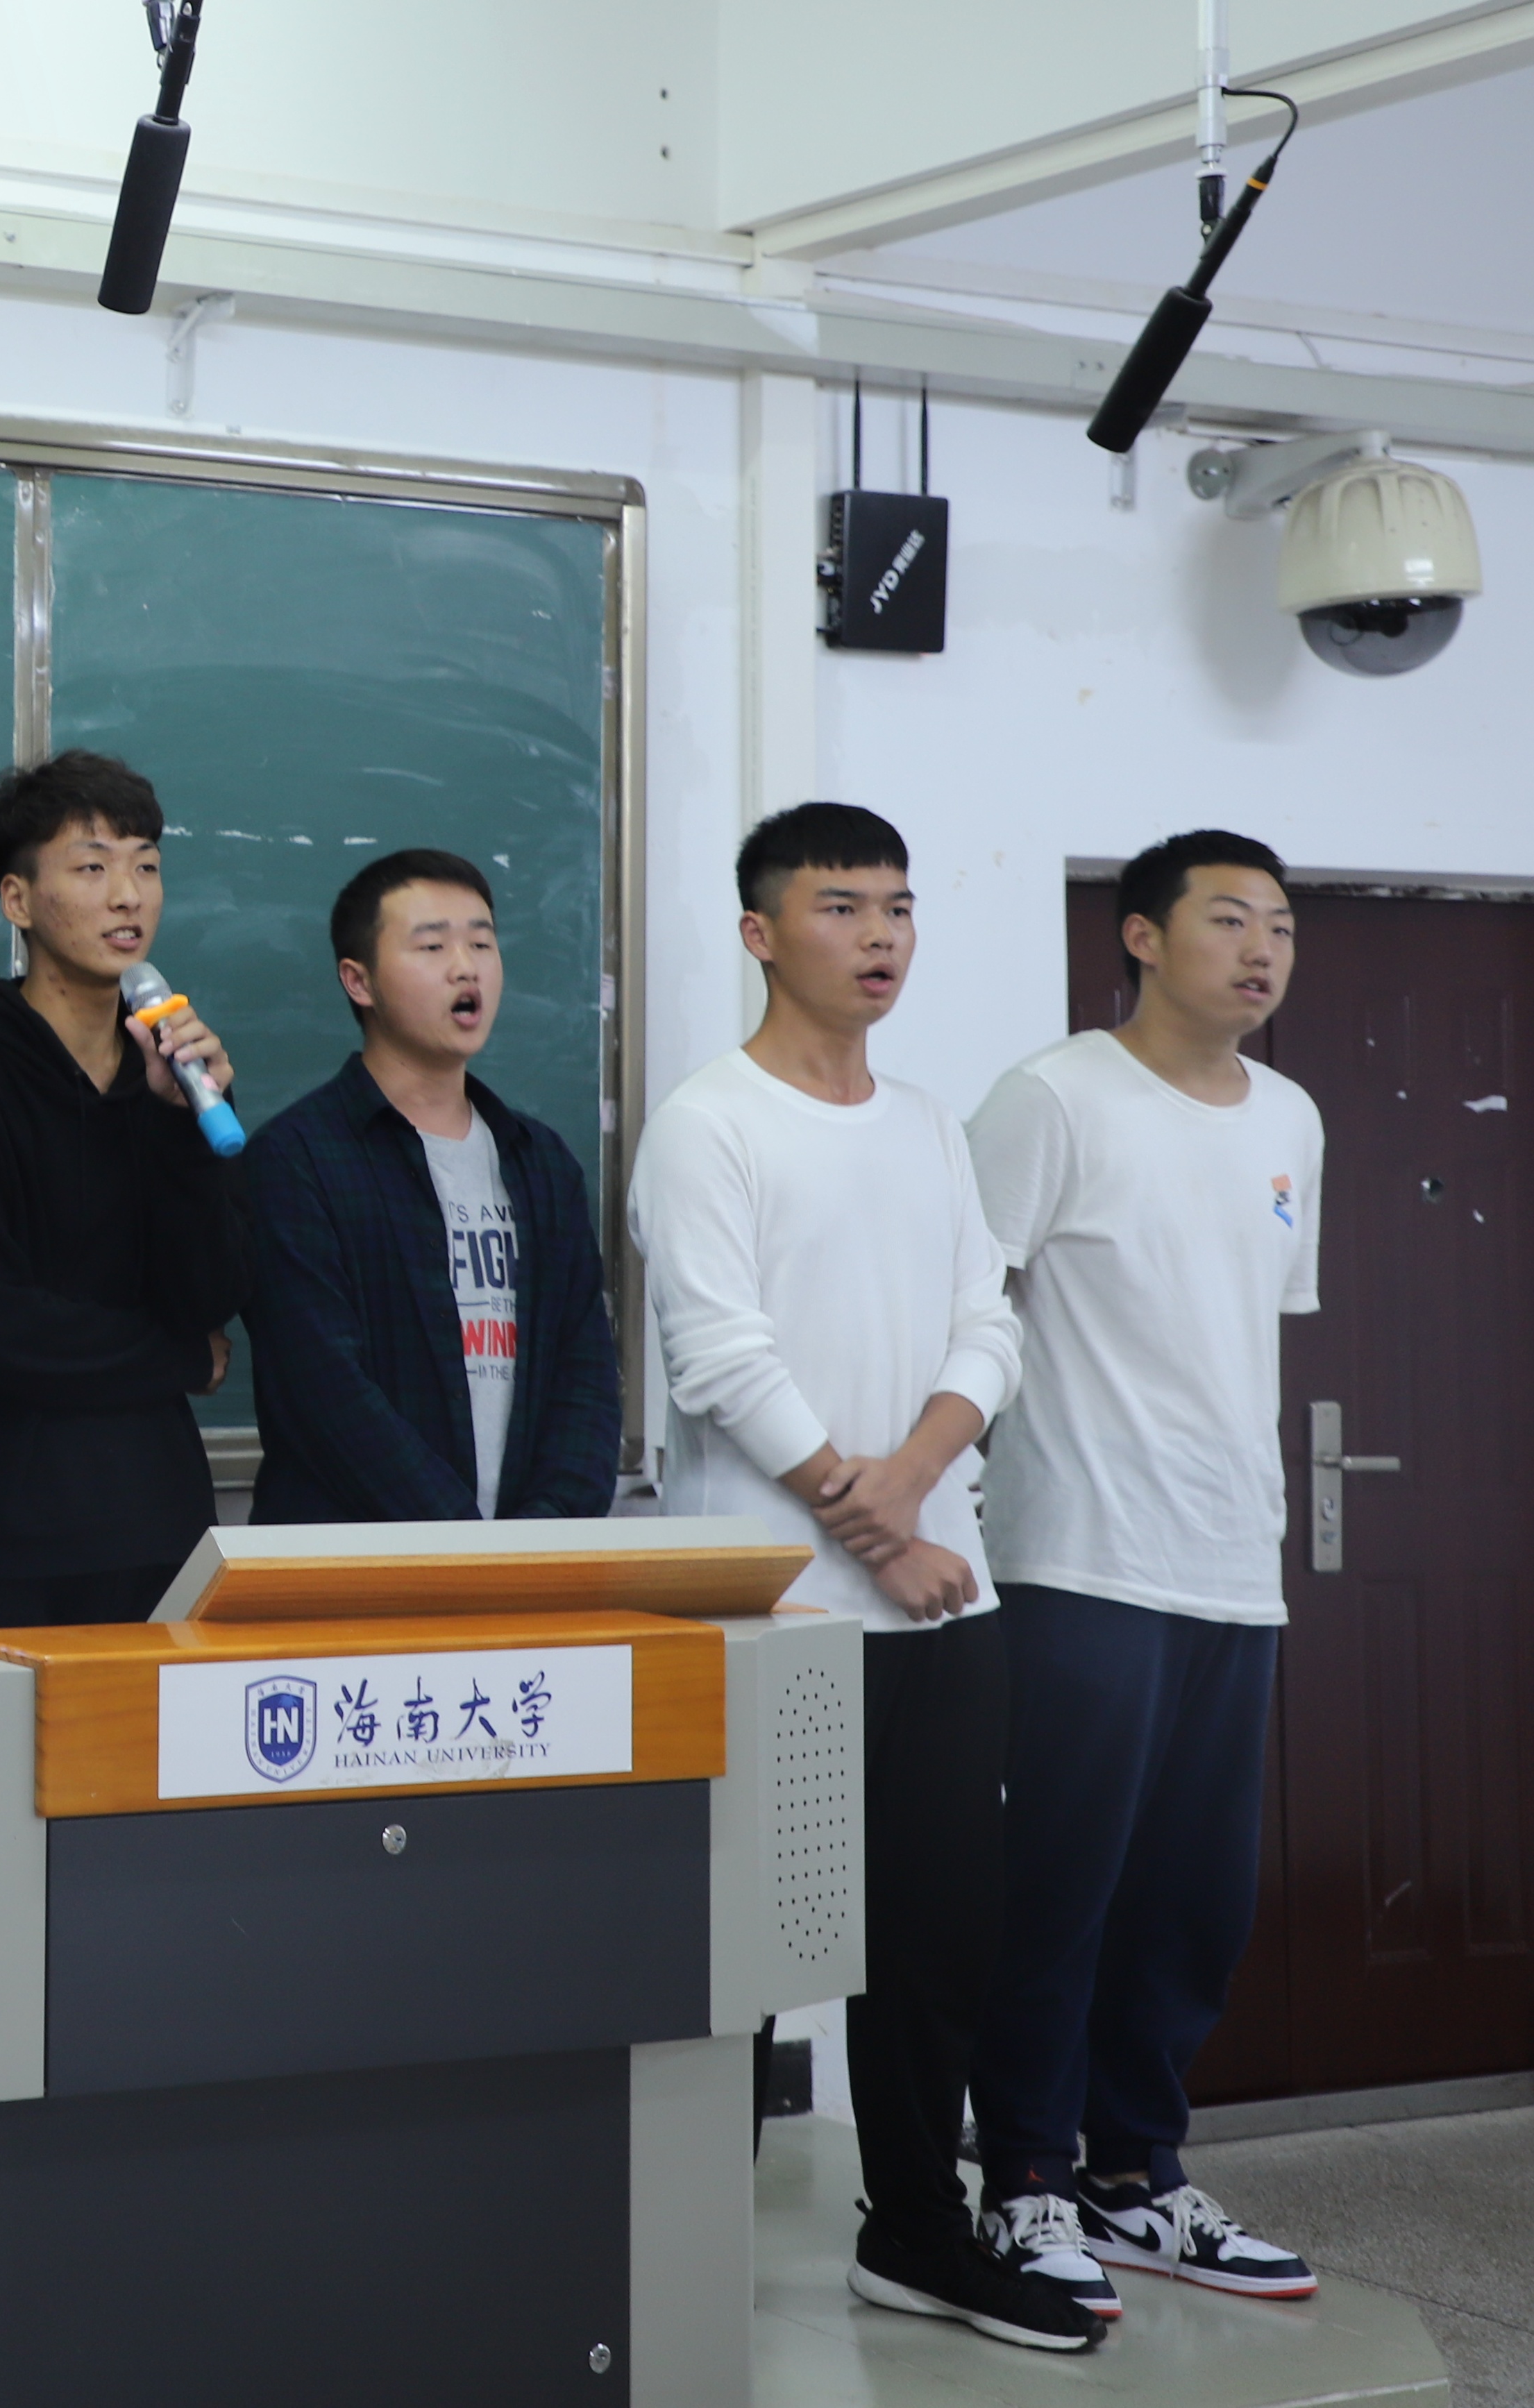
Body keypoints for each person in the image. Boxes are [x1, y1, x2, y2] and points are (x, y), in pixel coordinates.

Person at [628, 803, 1092, 2354]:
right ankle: (677, 2256)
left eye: (896, 906)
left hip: (945, 1606)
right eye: (841, 906)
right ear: (760, 934)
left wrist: (906, 1491)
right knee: (744, 1949)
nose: (880, 934)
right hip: (777, 1613)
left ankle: (914, 2232)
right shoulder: (709, 1122)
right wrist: (878, 1527)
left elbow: (989, 1324)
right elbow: (719, 1357)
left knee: (937, 1940)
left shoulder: (926, 1123)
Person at [966, 832, 1324, 2314]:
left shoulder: (1291, 1115)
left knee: (1192, 1899)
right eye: (1228, 919)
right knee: (1061, 1885)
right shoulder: (1054, 1097)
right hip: (1078, 1556)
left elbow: (1244, 1330)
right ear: (1139, 937)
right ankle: (1023, 2180)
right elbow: (962, 1305)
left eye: (1280, 926)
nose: (1261, 949)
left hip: (1232, 1563)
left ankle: (1136, 2175)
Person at [0, 751, 248, 1628]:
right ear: (17, 899)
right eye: (93, 868)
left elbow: (212, 1294)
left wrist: (181, 1124)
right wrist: (179, 1359)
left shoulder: (181, 1071)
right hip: (2, 1535)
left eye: (146, 866)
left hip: (162, 1524)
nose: (129, 896)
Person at [242, 847, 616, 1525]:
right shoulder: (296, 1159)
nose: (465, 966)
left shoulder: (540, 1163)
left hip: (528, 1561)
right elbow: (324, 1392)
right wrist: (466, 1545)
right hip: (356, 1563)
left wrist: (543, 1531)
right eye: (433, 945)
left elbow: (584, 1374)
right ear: (359, 981)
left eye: (481, 942)